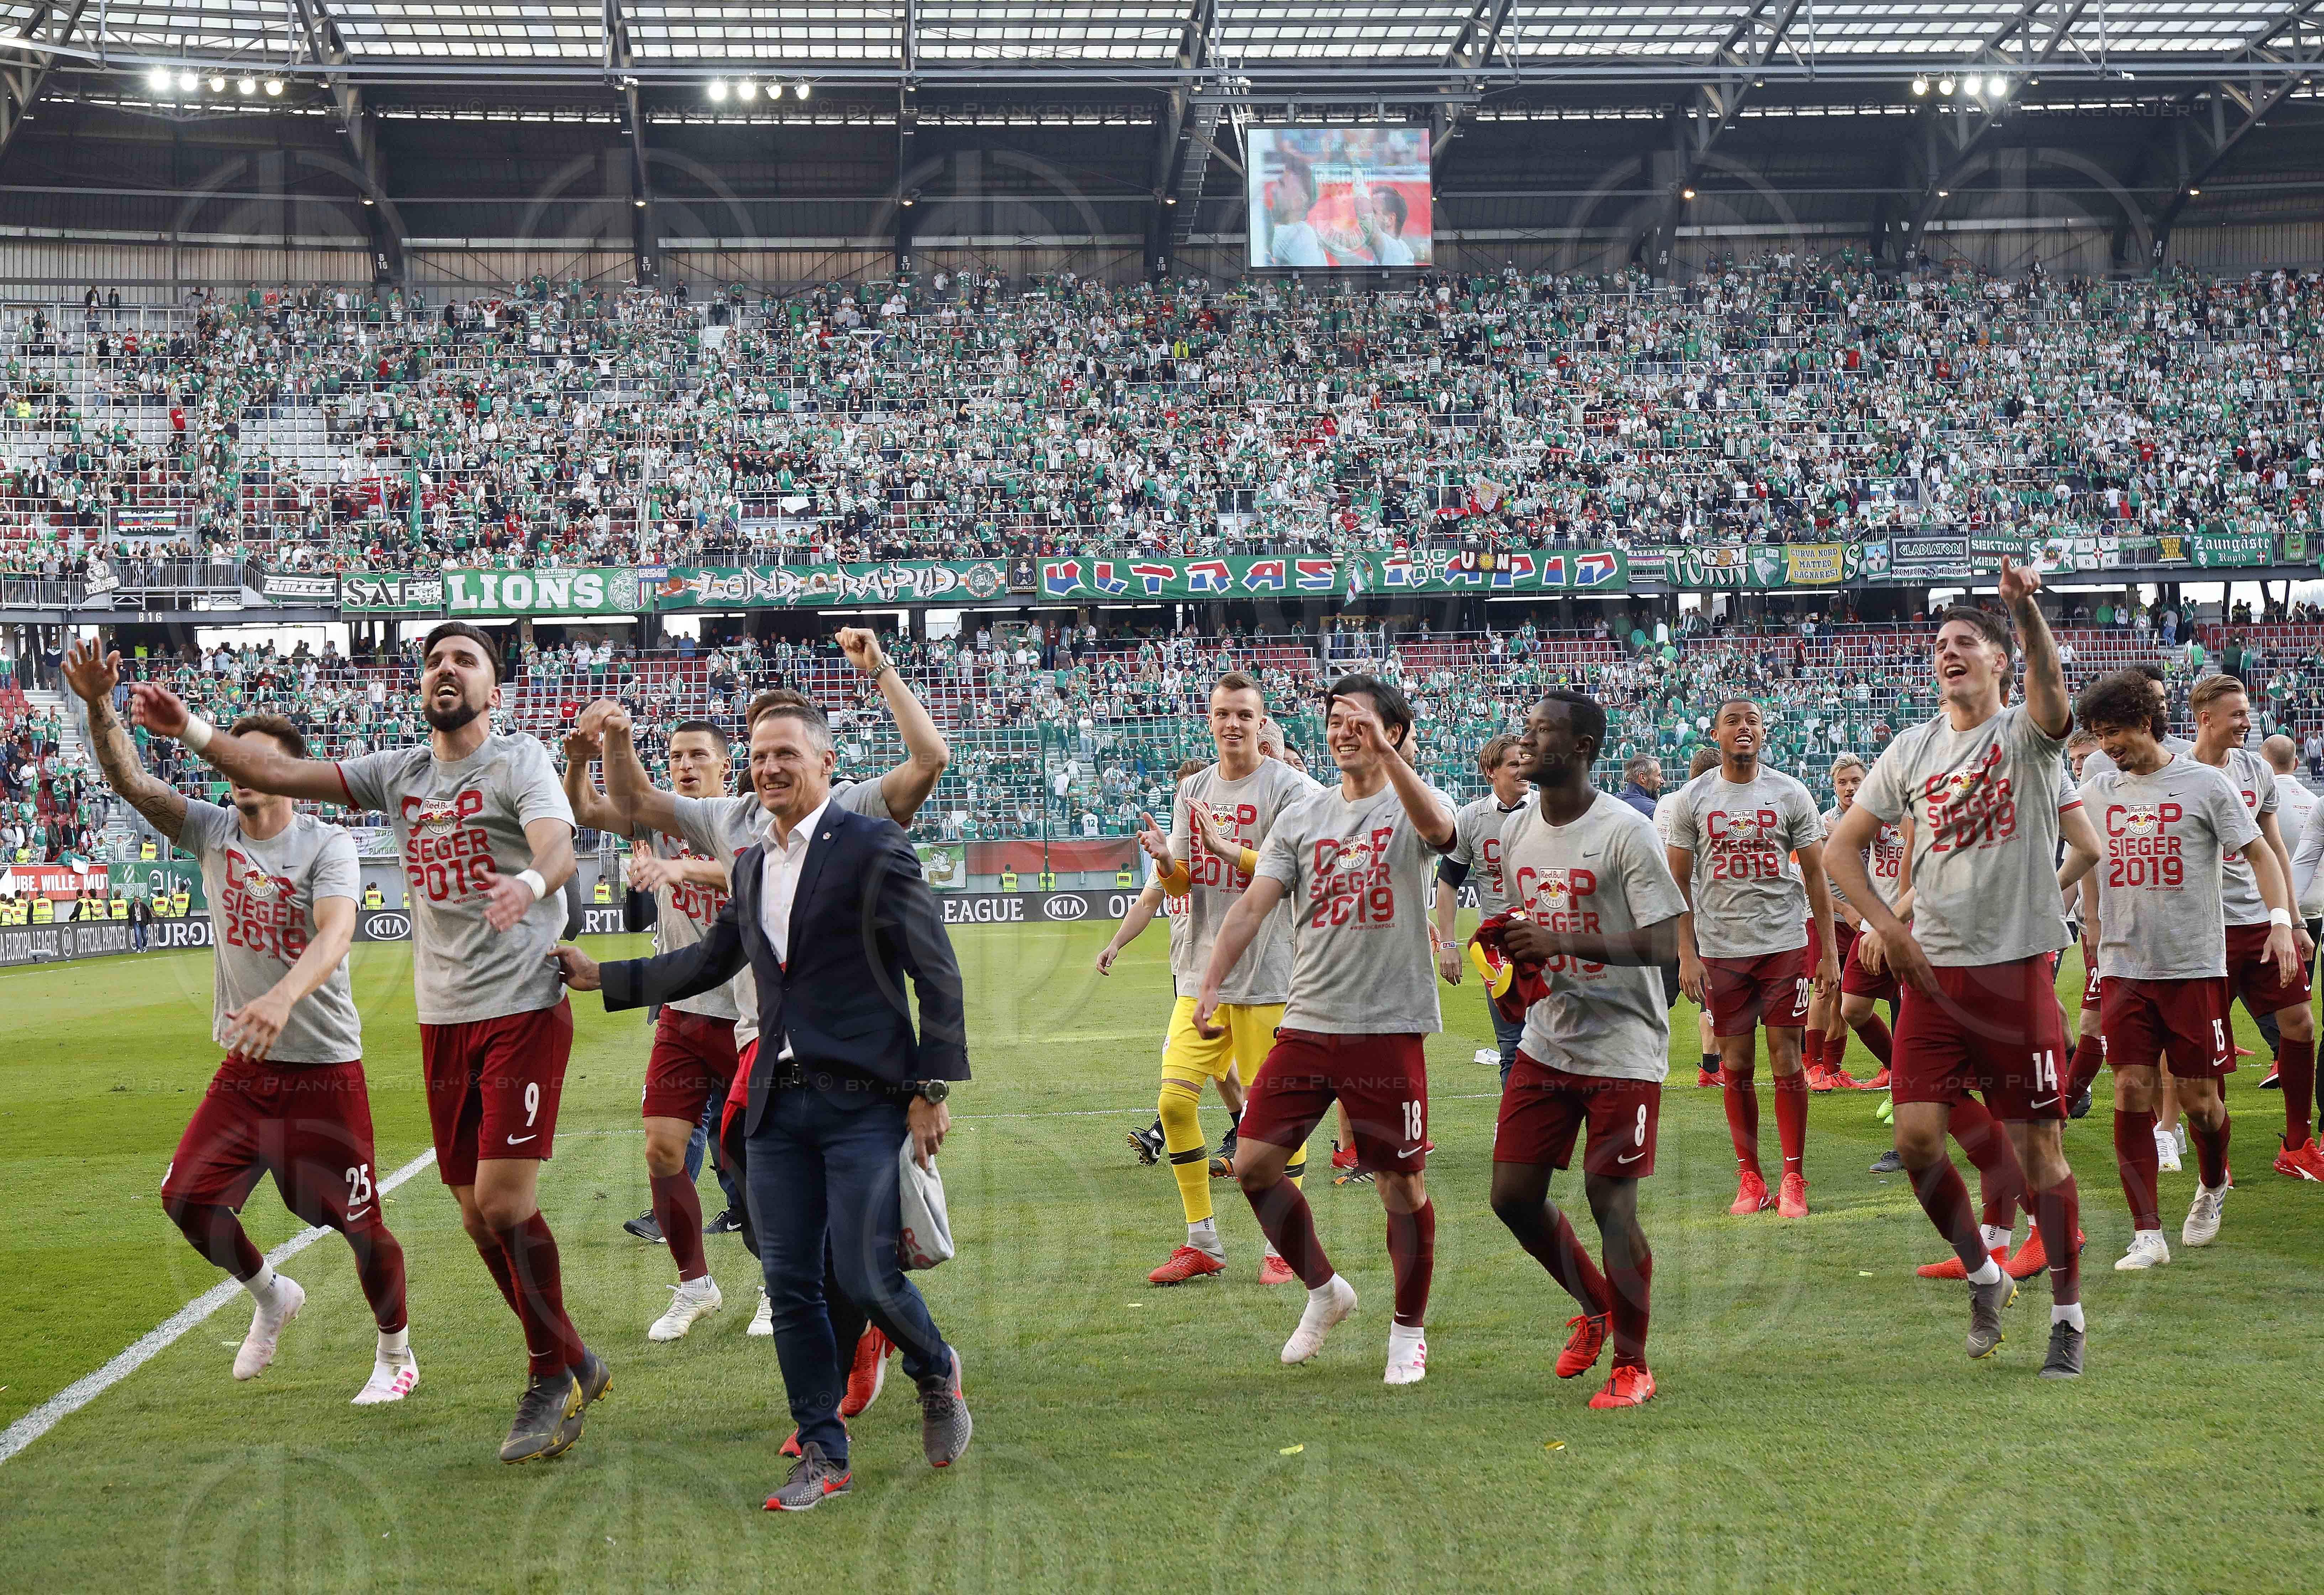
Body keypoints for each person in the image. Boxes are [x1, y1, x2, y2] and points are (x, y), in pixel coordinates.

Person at [131, 621, 603, 1459]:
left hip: (523, 1003)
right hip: (443, 1016)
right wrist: (194, 733)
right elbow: (271, 770)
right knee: (471, 1216)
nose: (445, 670)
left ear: (494, 689)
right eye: (432, 661)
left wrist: (529, 883)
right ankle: (573, 1355)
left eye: (465, 660)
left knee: (502, 1203)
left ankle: (549, 1379)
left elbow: (557, 845)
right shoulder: (400, 774)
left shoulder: (521, 760)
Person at [550, 696, 972, 1512]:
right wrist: (610, 977)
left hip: (863, 1100)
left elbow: (936, 968)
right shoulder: (749, 862)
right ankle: (823, 1448)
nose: (769, 767)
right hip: (778, 1104)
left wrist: (928, 1089)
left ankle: (934, 1370)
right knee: (791, 1280)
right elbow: (710, 960)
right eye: (758, 755)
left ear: (823, 762)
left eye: (786, 753)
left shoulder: (873, 844)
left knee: (863, 1271)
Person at [66, 641, 415, 1405]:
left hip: (324, 1067)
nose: (237, 774)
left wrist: (284, 995)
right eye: (232, 762)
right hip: (248, 1071)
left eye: (253, 762)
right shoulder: (213, 831)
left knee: (362, 1226)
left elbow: (334, 933)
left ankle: (396, 1351)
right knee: (187, 1198)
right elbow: (130, 779)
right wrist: (98, 702)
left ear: (285, 773)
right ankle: (269, 1293)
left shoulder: (328, 843)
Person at [1824, 561, 2089, 1378]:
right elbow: (1839, 850)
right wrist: (1884, 926)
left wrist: (2025, 611)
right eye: (1938, 643)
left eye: (1965, 641)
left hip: (2013, 974)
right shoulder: (1909, 749)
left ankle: (2069, 1318)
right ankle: (1983, 1276)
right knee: (1914, 1140)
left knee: (2037, 1152)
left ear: (1998, 660)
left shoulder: (2026, 736)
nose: (1948, 651)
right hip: (1933, 976)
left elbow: (2053, 696)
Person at [1196, 674, 1455, 1386]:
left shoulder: (1413, 803)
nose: (1343, 730)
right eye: (1335, 720)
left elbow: (1444, 832)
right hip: (1308, 1020)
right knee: (1252, 1164)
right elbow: (1253, 905)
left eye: (1360, 720)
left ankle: (1408, 1329)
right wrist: (1212, 983)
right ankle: (1324, 1290)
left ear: (1395, 732)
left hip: (1389, 1024)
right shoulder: (1304, 816)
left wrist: (1393, 761)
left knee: (1400, 1183)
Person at [1487, 691, 1684, 1410]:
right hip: (1549, 1036)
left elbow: (1665, 941)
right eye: (1528, 729)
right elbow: (1528, 923)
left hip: (1624, 1045)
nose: (1527, 742)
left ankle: (1633, 1363)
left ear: (1584, 748)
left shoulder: (1627, 830)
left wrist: (1560, 942)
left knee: (1611, 1201)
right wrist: (1510, 958)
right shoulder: (1517, 829)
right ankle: (1598, 1306)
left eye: (1544, 732)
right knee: (1512, 1196)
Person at [2074, 668, 2300, 1270]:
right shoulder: (2096, 790)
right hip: (2125, 965)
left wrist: (2280, 918)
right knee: (2129, 1089)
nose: (2107, 746)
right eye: (2097, 735)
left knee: (2202, 1103)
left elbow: (2259, 853)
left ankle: (2211, 1181)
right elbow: (2079, 860)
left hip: (2194, 966)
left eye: (2114, 731)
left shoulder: (2203, 785)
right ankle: (2146, 1232)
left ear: (2145, 722)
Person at [1124, 674, 1319, 1287]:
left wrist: (1229, 848)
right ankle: (1202, 1242)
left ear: (1262, 723)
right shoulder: (1191, 789)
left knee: (1275, 1117)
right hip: (1199, 975)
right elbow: (1181, 883)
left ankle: (1283, 1248)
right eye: (1221, 715)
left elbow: (1301, 868)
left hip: (1270, 975)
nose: (1232, 724)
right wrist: (1165, 860)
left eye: (1243, 715)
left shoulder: (1291, 788)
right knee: (1174, 1103)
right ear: (1208, 721)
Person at [1665, 699, 1838, 1218]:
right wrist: (1687, 953)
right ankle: (1751, 1178)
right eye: (1733, 721)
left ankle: (1792, 1176)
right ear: (1715, 734)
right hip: (1721, 951)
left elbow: (1816, 876)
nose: (1744, 728)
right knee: (1736, 1065)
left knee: (1787, 1060)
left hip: (1784, 945)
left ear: (1764, 733)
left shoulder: (1791, 792)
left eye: (1753, 721)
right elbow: (1677, 882)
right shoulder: (1691, 798)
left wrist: (1828, 951)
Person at [2184, 676, 2322, 1182]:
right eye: (2238, 714)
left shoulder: (2255, 770)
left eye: (2248, 712)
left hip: (2262, 924)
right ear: (2206, 719)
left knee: (2300, 1023)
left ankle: (2296, 1144)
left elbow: (2273, 848)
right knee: (2210, 1049)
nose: (2248, 722)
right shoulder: (2176, 771)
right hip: (2203, 931)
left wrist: (2293, 919)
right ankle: (2215, 1159)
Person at [1433, 734, 1530, 1082]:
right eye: (1514, 764)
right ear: (1491, 772)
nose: (1523, 769)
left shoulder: (1548, 810)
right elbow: (1448, 880)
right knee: (1511, 1047)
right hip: (1498, 947)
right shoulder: (1472, 817)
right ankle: (1516, 1133)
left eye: (1526, 761)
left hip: (1547, 942)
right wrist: (1448, 945)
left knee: (1558, 1044)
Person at [1802, 752, 1871, 1093]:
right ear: (1833, 786)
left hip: (1863, 922)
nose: (1850, 788)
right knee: (1824, 988)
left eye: (1856, 781)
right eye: (1843, 782)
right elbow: (1807, 882)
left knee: (1848, 995)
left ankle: (1834, 1068)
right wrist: (1844, 910)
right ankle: (1812, 1067)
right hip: (1827, 918)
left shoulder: (1875, 821)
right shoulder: (1819, 824)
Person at [1656, 746, 1721, 1082]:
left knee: (1658, 994)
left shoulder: (1666, 803)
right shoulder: (1707, 804)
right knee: (1712, 991)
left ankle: (1640, 1060)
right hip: (1703, 909)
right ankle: (1712, 1067)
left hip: (1664, 912)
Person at [1616, 754, 1660, 820]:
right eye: (1658, 776)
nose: (1663, 781)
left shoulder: (1612, 802)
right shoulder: (1653, 811)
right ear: (1643, 778)